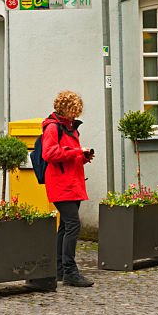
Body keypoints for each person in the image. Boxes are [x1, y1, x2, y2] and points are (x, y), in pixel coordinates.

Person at [42, 90, 95, 286]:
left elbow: (68, 155)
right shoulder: (53, 128)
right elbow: (49, 154)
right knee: (73, 225)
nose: (76, 114)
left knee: (65, 227)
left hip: (72, 183)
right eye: (74, 110)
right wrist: (75, 152)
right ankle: (70, 272)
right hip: (61, 184)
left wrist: (83, 156)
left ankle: (60, 271)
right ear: (65, 109)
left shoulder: (70, 128)